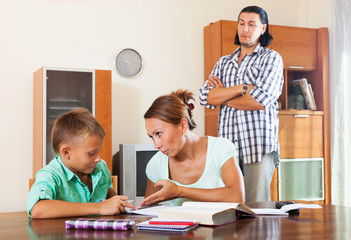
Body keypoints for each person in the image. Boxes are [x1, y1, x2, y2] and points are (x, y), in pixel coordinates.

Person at [199, 6, 284, 203]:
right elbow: (206, 98)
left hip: (258, 145)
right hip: (227, 148)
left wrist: (222, 96)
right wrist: (241, 88)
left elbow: (259, 101)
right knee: (228, 205)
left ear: (263, 28)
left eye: (251, 24)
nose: (245, 29)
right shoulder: (223, 62)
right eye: (241, 23)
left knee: (257, 206)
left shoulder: (271, 59)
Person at [140, 89, 245, 207]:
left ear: (183, 125)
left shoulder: (220, 149)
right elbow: (147, 209)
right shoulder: (156, 163)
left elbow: (237, 196)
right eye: (152, 137)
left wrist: (180, 191)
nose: (156, 145)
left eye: (159, 133)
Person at [27, 108, 136, 219]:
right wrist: (98, 207)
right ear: (66, 152)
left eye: (99, 151)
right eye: (92, 153)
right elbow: (38, 209)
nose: (98, 158)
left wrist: (118, 203)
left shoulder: (101, 167)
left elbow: (108, 194)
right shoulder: (50, 175)